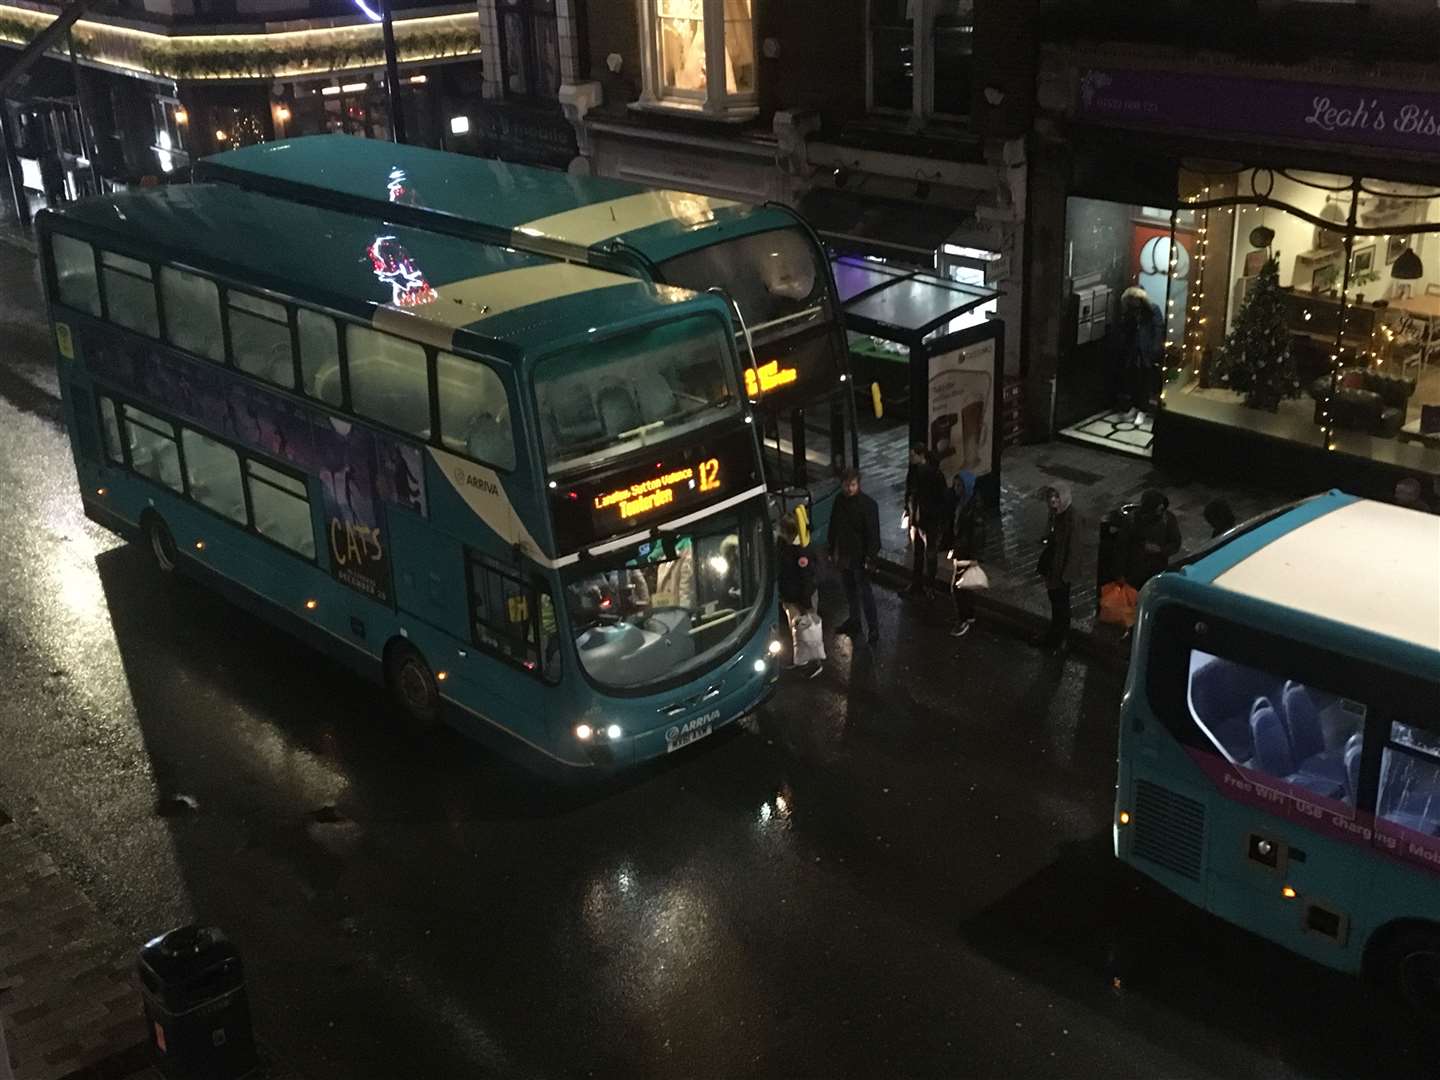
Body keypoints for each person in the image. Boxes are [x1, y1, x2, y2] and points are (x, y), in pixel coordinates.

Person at [827, 468, 881, 645]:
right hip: (845, 554)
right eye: (847, 485)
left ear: (858, 484)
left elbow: (873, 534)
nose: (849, 488)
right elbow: (834, 526)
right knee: (850, 590)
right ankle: (855, 621)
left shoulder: (868, 505)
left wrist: (870, 557)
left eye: (852, 485)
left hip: (859, 556)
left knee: (865, 593)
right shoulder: (839, 501)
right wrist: (831, 548)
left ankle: (873, 628)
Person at [777, 514, 824, 678]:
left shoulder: (800, 551)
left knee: (808, 633)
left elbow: (807, 579)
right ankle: (800, 661)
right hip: (790, 597)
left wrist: (807, 604)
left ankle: (813, 664)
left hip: (801, 598)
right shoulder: (786, 546)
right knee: (798, 632)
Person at [1036, 483, 1079, 653]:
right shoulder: (1055, 515)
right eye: (1050, 496)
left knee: (1061, 605)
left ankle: (1060, 640)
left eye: (1056, 496)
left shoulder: (1071, 518)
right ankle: (1053, 636)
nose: (1052, 500)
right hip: (1052, 566)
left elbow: (1074, 548)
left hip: (1061, 570)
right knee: (1056, 603)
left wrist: (1066, 573)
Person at [903, 444, 948, 597]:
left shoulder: (926, 474)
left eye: (912, 455)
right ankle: (925, 585)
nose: (910, 459)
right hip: (922, 519)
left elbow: (914, 495)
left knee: (925, 553)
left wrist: (910, 511)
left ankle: (924, 585)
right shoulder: (924, 473)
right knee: (924, 553)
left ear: (921, 455)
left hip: (925, 520)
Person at [1116, 286, 1163, 419]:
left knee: (1145, 380)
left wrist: (1154, 349)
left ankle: (1143, 409)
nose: (1133, 303)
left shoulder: (1152, 310)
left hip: (1146, 351)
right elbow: (1126, 330)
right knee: (1133, 379)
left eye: (1134, 300)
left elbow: (1158, 330)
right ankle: (1135, 406)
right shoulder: (1131, 313)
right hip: (1133, 351)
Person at [947, 468, 983, 638]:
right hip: (961, 549)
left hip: (966, 552)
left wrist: (974, 557)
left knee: (957, 587)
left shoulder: (972, 507)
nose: (956, 489)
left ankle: (962, 620)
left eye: (959, 486)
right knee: (965, 587)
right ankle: (969, 615)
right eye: (955, 485)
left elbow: (976, 534)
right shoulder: (963, 502)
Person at [1124, 489, 1182, 590]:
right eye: (1158, 507)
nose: (1161, 510)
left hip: (1157, 568)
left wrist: (1160, 550)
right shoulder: (1132, 520)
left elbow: (1176, 543)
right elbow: (1122, 545)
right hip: (1134, 571)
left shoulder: (1168, 519)